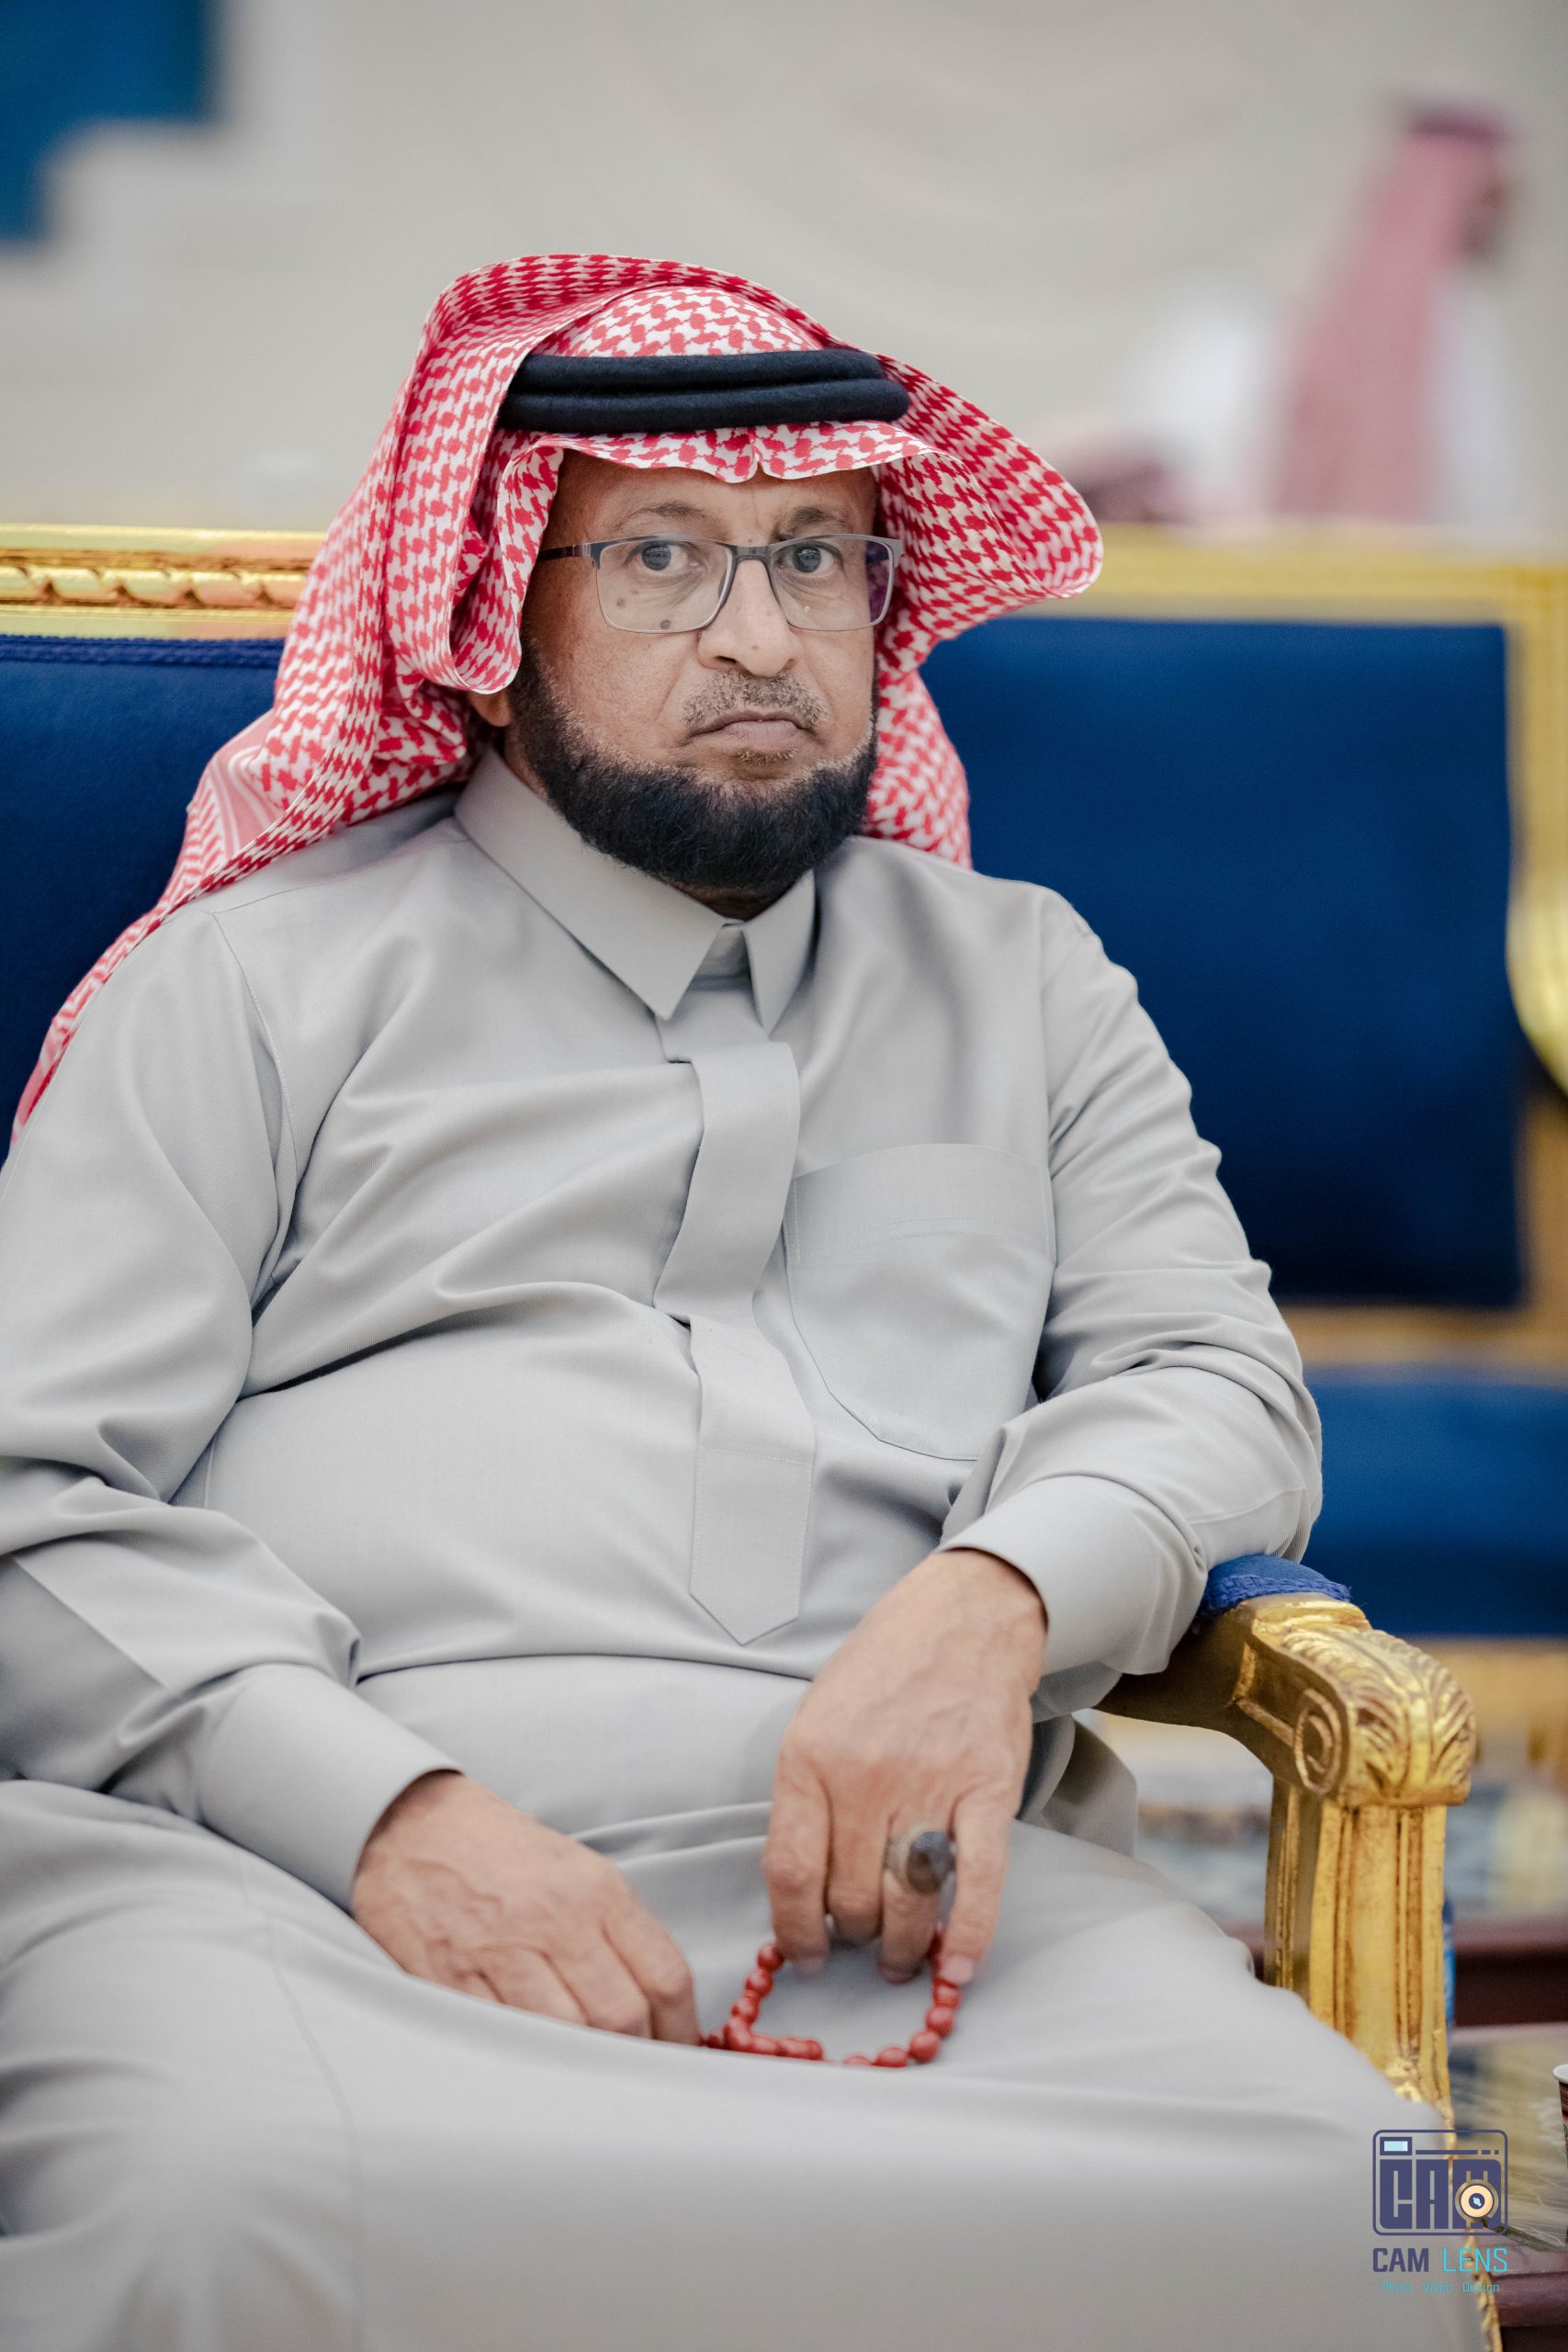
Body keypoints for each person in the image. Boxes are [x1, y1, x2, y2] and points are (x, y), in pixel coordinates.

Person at [0, 256, 1479, 2352]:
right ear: (486, 620)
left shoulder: (1025, 980)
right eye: (662, 558)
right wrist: (387, 1816)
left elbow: (1215, 1378)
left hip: (921, 1904)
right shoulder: (253, 985)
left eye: (813, 557)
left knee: (1388, 2218)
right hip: (297, 1875)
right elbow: (29, 1494)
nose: (764, 636)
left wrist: (995, 1601)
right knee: (220, 2214)